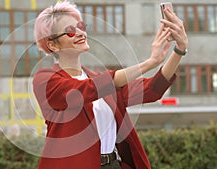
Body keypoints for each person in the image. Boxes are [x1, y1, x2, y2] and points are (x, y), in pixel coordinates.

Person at [33, 1, 188, 169]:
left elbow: (151, 90)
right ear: (52, 44)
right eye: (70, 31)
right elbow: (87, 90)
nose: (79, 33)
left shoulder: (99, 79)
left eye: (80, 26)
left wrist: (179, 49)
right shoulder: (46, 80)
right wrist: (151, 62)